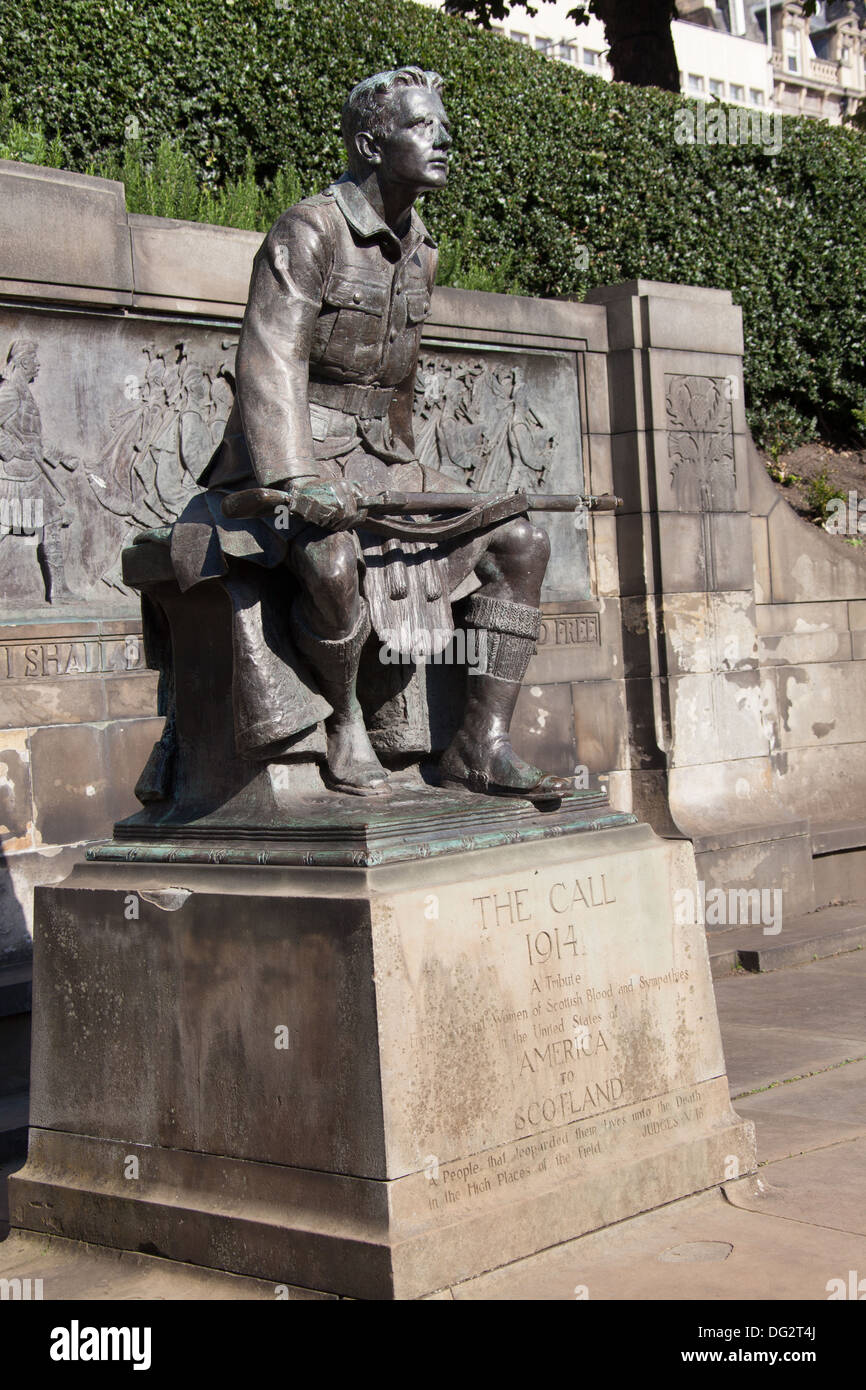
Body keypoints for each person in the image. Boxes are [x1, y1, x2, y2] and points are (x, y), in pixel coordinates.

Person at [172, 67, 569, 802]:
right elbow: (272, 357)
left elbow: (396, 386)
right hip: (285, 465)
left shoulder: (422, 248)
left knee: (522, 540)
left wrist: (415, 482)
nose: (444, 137)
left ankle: (481, 745)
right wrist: (297, 478)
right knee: (327, 560)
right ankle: (346, 720)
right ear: (368, 144)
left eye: (442, 125)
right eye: (423, 126)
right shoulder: (310, 229)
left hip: (383, 464)